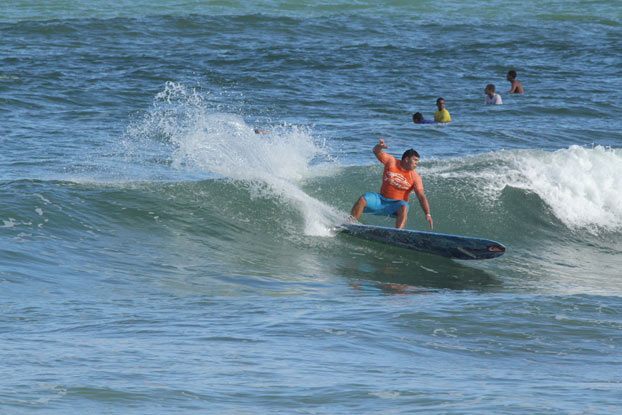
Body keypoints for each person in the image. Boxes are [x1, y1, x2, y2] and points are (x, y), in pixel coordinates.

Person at [350, 138, 433, 230]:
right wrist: (380, 146)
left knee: (404, 207)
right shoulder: (391, 162)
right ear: (406, 159)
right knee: (363, 199)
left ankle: (398, 232)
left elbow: (421, 196)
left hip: (396, 205)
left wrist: (427, 213)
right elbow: (376, 151)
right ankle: (350, 223)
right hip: (381, 200)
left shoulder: (415, 177)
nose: (416, 163)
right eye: (415, 160)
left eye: (417, 161)